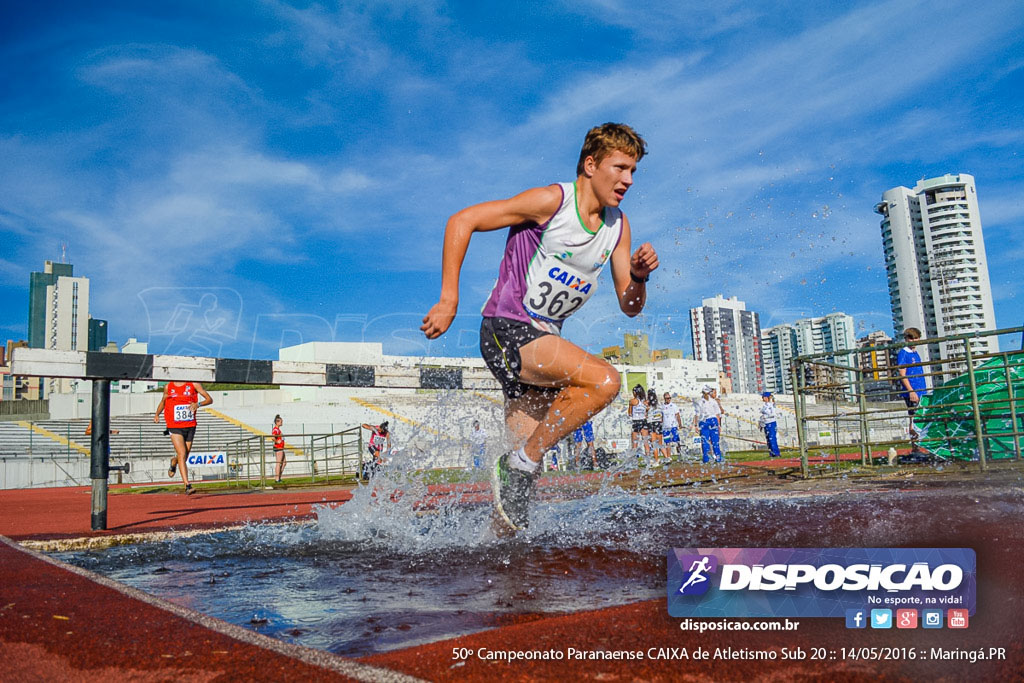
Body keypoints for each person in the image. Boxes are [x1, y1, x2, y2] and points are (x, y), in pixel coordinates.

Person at [421, 122, 658, 533]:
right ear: (590, 165)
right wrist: (448, 299)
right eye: (620, 168)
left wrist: (638, 276)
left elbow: (630, 307)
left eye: (633, 171)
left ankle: (497, 554)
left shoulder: (618, 227)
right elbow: (462, 220)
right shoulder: (551, 201)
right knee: (604, 381)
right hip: (506, 329)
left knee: (514, 506)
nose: (628, 180)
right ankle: (518, 465)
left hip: (542, 344)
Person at [154, 381, 213, 495]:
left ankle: (174, 462)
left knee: (184, 456)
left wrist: (198, 404)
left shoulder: (194, 385)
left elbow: (209, 399)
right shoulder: (168, 387)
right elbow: (163, 402)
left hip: (190, 425)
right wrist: (157, 414)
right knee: (181, 453)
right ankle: (187, 485)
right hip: (174, 425)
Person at [896, 327, 929, 453]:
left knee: (921, 418)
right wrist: (911, 391)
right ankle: (915, 448)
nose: (914, 341)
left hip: (921, 390)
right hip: (913, 391)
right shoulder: (903, 353)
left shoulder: (915, 353)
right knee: (913, 419)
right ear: (906, 339)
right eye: (911, 338)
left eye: (916, 338)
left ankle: (920, 446)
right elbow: (902, 373)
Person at [693, 385, 724, 464]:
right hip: (704, 422)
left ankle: (718, 457)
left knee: (715, 441)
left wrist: (719, 425)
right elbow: (697, 414)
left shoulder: (713, 402)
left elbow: (717, 414)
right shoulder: (699, 402)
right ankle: (706, 458)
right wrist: (695, 425)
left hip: (712, 420)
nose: (706, 394)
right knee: (705, 441)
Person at [628, 384, 651, 464]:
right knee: (645, 441)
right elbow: (646, 412)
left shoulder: (632, 401)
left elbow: (630, 413)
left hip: (636, 421)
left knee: (634, 443)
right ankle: (648, 460)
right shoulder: (645, 402)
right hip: (643, 421)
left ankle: (635, 461)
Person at [646, 389, 667, 467]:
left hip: (651, 423)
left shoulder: (648, 404)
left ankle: (656, 460)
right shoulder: (659, 404)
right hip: (658, 423)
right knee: (660, 443)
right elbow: (662, 414)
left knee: (654, 444)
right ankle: (667, 457)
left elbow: (645, 414)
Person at [660, 391, 683, 459]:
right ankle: (669, 457)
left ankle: (680, 454)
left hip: (673, 426)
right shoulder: (662, 407)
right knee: (667, 442)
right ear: (664, 398)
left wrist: (680, 424)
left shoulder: (674, 406)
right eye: (667, 398)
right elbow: (661, 417)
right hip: (665, 427)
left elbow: (677, 415)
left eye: (669, 398)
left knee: (677, 441)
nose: (668, 399)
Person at [758, 392, 781, 458]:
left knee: (772, 438)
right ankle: (771, 453)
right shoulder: (765, 405)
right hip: (766, 423)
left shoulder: (771, 405)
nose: (763, 398)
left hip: (771, 423)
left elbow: (773, 414)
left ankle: (776, 453)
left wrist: (766, 417)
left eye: (764, 397)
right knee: (768, 439)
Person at [271, 415, 286, 483]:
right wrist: (277, 441)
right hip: (278, 448)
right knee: (278, 463)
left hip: (281, 447)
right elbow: (273, 437)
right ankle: (277, 479)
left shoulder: (278, 429)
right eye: (281, 421)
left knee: (284, 463)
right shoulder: (275, 429)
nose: (282, 422)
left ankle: (279, 477)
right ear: (277, 422)